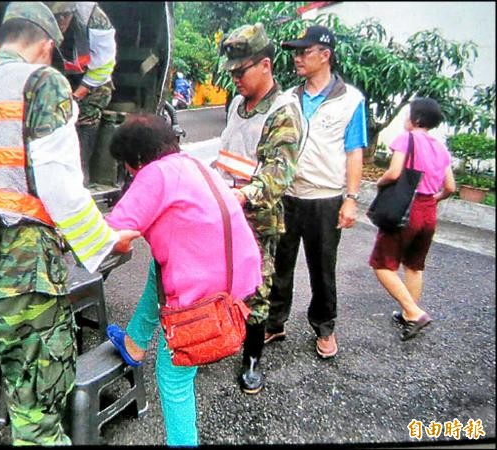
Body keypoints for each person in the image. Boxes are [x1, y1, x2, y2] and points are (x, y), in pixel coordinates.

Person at [0, 2, 138, 445]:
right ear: (45, 46)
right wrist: (104, 245)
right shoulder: (43, 82)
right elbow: (60, 185)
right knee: (36, 413)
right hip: (22, 277)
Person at [103, 113, 263, 446]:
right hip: (238, 277)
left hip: (204, 297)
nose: (128, 173)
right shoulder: (194, 164)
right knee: (156, 268)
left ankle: (183, 442)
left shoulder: (154, 174)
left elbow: (112, 233)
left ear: (136, 160)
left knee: (174, 376)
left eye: (126, 166)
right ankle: (134, 343)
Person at [265, 25, 368, 359]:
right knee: (280, 264)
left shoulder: (350, 101)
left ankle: (324, 328)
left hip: (325, 198)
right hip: (287, 195)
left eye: (304, 52)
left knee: (322, 268)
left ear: (325, 55)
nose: (296, 58)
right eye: (295, 52)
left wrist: (351, 199)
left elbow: (354, 152)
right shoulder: (287, 98)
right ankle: (275, 322)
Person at [215, 23, 307, 394]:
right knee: (221, 282)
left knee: (255, 288)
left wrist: (241, 196)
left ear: (265, 65)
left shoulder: (284, 111)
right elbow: (227, 154)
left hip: (256, 217)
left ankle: (252, 357)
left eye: (241, 71)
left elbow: (278, 173)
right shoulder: (238, 104)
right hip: (224, 211)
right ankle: (219, 338)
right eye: (232, 72)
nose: (235, 78)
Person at [369, 98, 455, 340]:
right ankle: (409, 314)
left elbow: (394, 172)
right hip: (429, 210)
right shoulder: (440, 147)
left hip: (407, 207)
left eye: (408, 114)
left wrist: (380, 182)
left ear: (416, 119)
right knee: (414, 265)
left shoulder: (406, 139)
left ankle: (415, 312)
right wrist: (433, 200)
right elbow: (450, 186)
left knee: (382, 264)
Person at [48, 2, 117, 185]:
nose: (61, 21)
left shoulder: (94, 19)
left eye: (64, 16)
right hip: (58, 79)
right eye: (56, 17)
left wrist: (76, 97)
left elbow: (104, 66)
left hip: (92, 83)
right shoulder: (34, 15)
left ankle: (81, 174)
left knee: (85, 114)